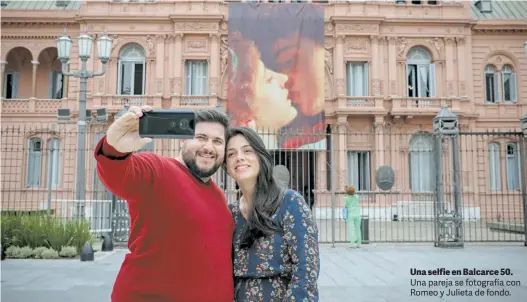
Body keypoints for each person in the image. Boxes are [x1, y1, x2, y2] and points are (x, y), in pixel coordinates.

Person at [94, 105, 234, 302]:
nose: (209, 147)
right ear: (183, 139)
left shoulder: (218, 194)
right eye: (201, 137)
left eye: (218, 141)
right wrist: (115, 148)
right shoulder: (158, 169)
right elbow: (119, 174)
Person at [225, 127, 320, 301]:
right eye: (231, 154)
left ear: (260, 156)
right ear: (226, 167)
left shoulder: (290, 203)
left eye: (247, 151)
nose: (239, 157)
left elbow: (306, 273)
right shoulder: (229, 213)